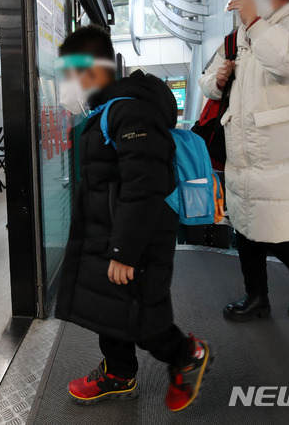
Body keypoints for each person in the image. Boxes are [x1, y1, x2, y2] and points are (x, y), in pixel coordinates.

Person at [55, 26, 212, 412]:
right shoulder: (107, 110)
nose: (64, 84)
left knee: (144, 317)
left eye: (67, 73)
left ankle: (187, 355)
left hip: (136, 241)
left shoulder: (130, 110)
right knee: (109, 312)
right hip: (109, 235)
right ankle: (119, 374)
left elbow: (145, 186)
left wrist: (124, 251)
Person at [199, 0, 289, 323]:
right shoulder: (235, 35)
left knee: (276, 226)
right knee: (245, 225)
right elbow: (206, 81)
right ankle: (256, 298)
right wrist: (219, 80)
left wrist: (256, 22)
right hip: (242, 144)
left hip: (285, 146)